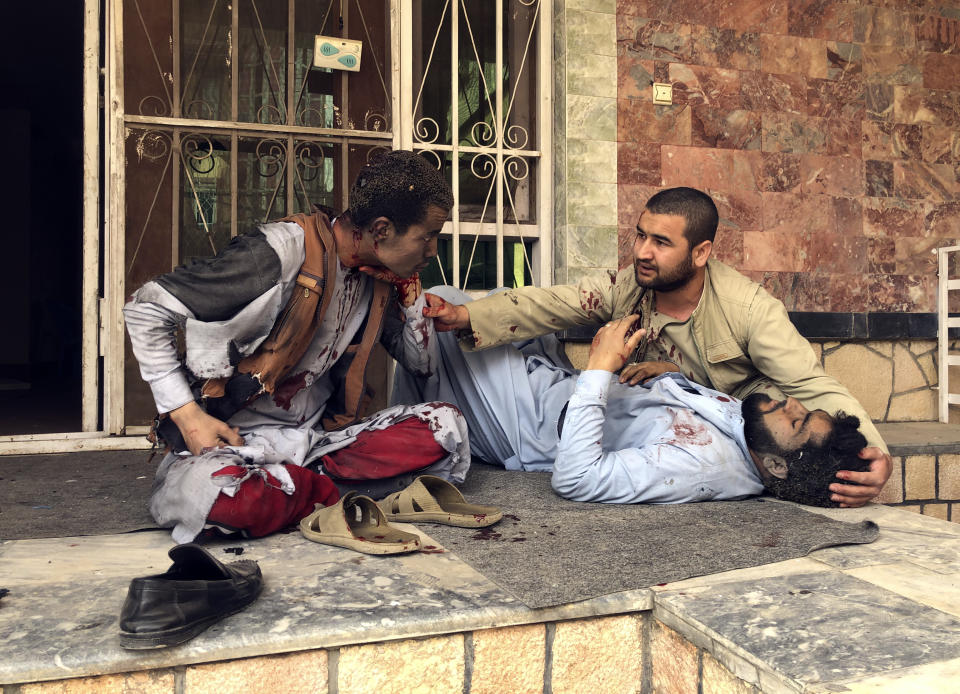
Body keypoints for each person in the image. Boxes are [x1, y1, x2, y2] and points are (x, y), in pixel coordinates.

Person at [422, 187, 891, 507]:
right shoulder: (634, 283)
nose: (643, 251)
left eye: (661, 242)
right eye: (641, 235)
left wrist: (873, 454)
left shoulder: (750, 311)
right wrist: (466, 317)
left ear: (701, 252)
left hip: (651, 435)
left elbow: (809, 384)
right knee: (483, 316)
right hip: (626, 412)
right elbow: (559, 303)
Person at [124, 151, 470, 543]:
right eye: (428, 236)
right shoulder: (281, 251)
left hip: (317, 445)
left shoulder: (379, 277)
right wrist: (188, 418)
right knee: (218, 493)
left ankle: (297, 490)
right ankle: (335, 496)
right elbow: (144, 309)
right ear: (382, 229)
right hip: (232, 445)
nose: (432, 251)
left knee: (446, 427)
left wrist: (411, 302)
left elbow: (420, 366)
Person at [393, 291, 868, 506]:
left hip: (530, 422)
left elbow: (576, 478)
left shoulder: (696, 469)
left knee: (440, 308)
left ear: (780, 467)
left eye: (798, 422)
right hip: (564, 385)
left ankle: (414, 413)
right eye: (802, 407)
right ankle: (426, 395)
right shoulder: (752, 436)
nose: (790, 404)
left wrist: (601, 368)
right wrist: (673, 378)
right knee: (487, 308)